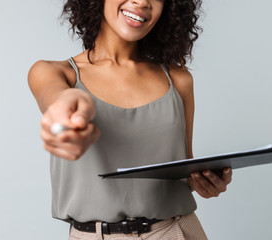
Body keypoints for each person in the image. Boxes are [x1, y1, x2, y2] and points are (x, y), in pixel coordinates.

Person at [28, 0, 233, 239]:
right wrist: (64, 114)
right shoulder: (56, 73)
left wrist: (205, 182)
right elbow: (55, 98)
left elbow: (185, 170)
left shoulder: (179, 79)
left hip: (174, 231)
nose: (142, 2)